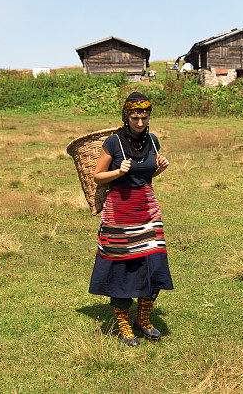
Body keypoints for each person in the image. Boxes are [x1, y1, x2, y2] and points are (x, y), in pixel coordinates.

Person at [90, 91, 172, 346]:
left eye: (144, 117)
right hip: (118, 212)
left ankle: (143, 319)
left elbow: (146, 176)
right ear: (126, 117)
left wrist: (159, 169)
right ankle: (124, 324)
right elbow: (97, 176)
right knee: (122, 268)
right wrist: (117, 171)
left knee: (154, 264)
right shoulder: (113, 143)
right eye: (135, 117)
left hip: (147, 210)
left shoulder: (153, 140)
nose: (140, 122)